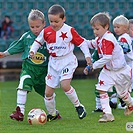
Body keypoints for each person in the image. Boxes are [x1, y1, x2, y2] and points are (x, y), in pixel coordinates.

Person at [29, 4, 92, 121]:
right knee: (48, 93)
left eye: (56, 21)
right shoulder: (46, 31)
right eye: (51, 21)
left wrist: (87, 56)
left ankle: (78, 106)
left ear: (64, 19)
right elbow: (38, 42)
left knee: (65, 85)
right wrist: (33, 51)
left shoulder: (69, 31)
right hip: (53, 63)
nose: (53, 24)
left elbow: (82, 43)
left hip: (67, 61)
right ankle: (53, 114)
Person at [0, 9, 49, 121]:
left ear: (44, 24)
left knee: (48, 94)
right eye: (32, 27)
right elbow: (17, 46)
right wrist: (5, 54)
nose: (35, 29)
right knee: (23, 85)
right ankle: (20, 112)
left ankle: (54, 113)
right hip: (29, 68)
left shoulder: (49, 37)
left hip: (44, 72)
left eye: (37, 26)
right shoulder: (26, 37)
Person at [84, 12, 133, 122]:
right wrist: (76, 39)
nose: (95, 32)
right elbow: (91, 43)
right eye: (93, 29)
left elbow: (107, 57)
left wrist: (93, 66)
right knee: (101, 89)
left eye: (97, 29)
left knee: (123, 94)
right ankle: (108, 114)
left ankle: (131, 104)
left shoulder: (108, 39)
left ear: (106, 27)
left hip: (120, 71)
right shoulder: (100, 38)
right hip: (108, 71)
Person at [113, 15, 133, 109]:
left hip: (129, 64)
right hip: (129, 63)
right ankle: (123, 102)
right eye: (115, 27)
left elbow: (125, 49)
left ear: (125, 28)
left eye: (118, 27)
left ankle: (125, 103)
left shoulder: (122, 38)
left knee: (123, 85)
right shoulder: (126, 36)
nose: (116, 29)